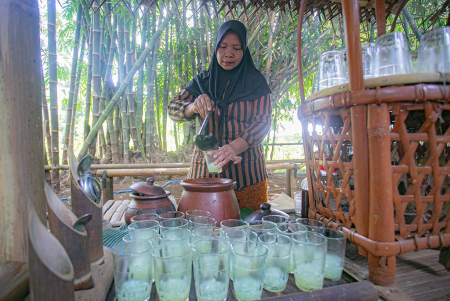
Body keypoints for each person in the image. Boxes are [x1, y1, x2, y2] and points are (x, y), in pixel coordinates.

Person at [168, 20, 271, 210]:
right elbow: (173, 109)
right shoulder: (202, 82)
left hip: (247, 176)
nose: (228, 53)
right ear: (215, 48)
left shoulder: (255, 83)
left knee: (249, 230)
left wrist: (233, 148)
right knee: (202, 231)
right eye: (223, 47)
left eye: (236, 48)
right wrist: (193, 106)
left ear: (244, 51)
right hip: (204, 175)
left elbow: (262, 122)